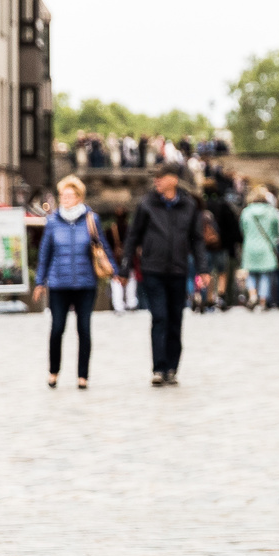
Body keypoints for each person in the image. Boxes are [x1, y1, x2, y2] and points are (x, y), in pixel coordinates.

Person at [122, 166, 207, 387]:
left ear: (174, 179)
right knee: (159, 316)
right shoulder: (146, 204)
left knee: (175, 319)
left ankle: (172, 367)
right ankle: (159, 368)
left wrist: (203, 268)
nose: (156, 181)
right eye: (156, 178)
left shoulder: (189, 205)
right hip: (153, 269)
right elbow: (133, 237)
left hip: (178, 270)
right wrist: (125, 267)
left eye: (161, 177)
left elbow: (197, 239)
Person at [35, 175, 117, 390]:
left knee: (84, 329)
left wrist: (115, 271)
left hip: (85, 283)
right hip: (58, 283)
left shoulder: (91, 220)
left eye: (70, 195)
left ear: (79, 197)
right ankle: (53, 372)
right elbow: (45, 253)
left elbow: (103, 246)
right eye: (62, 195)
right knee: (57, 328)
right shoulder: (52, 221)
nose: (65, 199)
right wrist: (39, 281)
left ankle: (83, 376)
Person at [239, 187, 279, 309]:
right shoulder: (271, 212)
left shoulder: (246, 212)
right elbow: (276, 232)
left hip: (250, 246)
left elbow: (243, 229)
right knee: (265, 275)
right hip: (266, 246)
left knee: (251, 273)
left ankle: (253, 296)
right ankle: (263, 301)